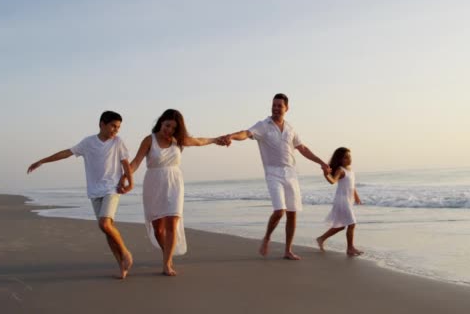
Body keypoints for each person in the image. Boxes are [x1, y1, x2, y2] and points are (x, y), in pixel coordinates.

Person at [222, 93, 330, 260]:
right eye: (274, 105)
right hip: (273, 173)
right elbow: (246, 133)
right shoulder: (264, 125)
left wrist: (321, 162)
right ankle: (267, 238)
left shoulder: (290, 128)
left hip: (291, 173)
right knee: (280, 211)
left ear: (286, 108)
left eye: (280, 105)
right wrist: (231, 136)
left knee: (292, 213)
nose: (276, 108)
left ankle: (288, 250)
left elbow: (302, 148)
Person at [27, 111, 134, 279]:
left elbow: (125, 163)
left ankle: (126, 253)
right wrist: (42, 161)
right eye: (113, 126)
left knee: (105, 224)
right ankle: (122, 266)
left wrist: (130, 183)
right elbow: (66, 153)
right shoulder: (88, 142)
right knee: (106, 228)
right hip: (94, 191)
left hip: (111, 189)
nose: (116, 130)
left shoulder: (118, 142)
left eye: (118, 127)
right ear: (102, 124)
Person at [127, 109, 226, 276]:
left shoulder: (177, 140)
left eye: (173, 128)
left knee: (173, 221)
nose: (169, 130)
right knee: (158, 228)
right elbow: (136, 162)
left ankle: (166, 264)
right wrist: (125, 176)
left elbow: (199, 141)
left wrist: (216, 140)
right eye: (167, 125)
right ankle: (168, 255)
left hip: (174, 183)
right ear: (161, 122)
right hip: (154, 184)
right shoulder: (149, 140)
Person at [316, 147, 364, 257]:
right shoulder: (341, 170)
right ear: (340, 160)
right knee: (352, 223)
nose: (349, 159)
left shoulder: (350, 170)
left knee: (342, 226)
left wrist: (356, 197)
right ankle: (350, 248)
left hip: (349, 200)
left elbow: (352, 185)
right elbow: (333, 181)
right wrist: (325, 174)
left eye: (349, 157)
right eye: (345, 158)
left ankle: (321, 238)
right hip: (342, 200)